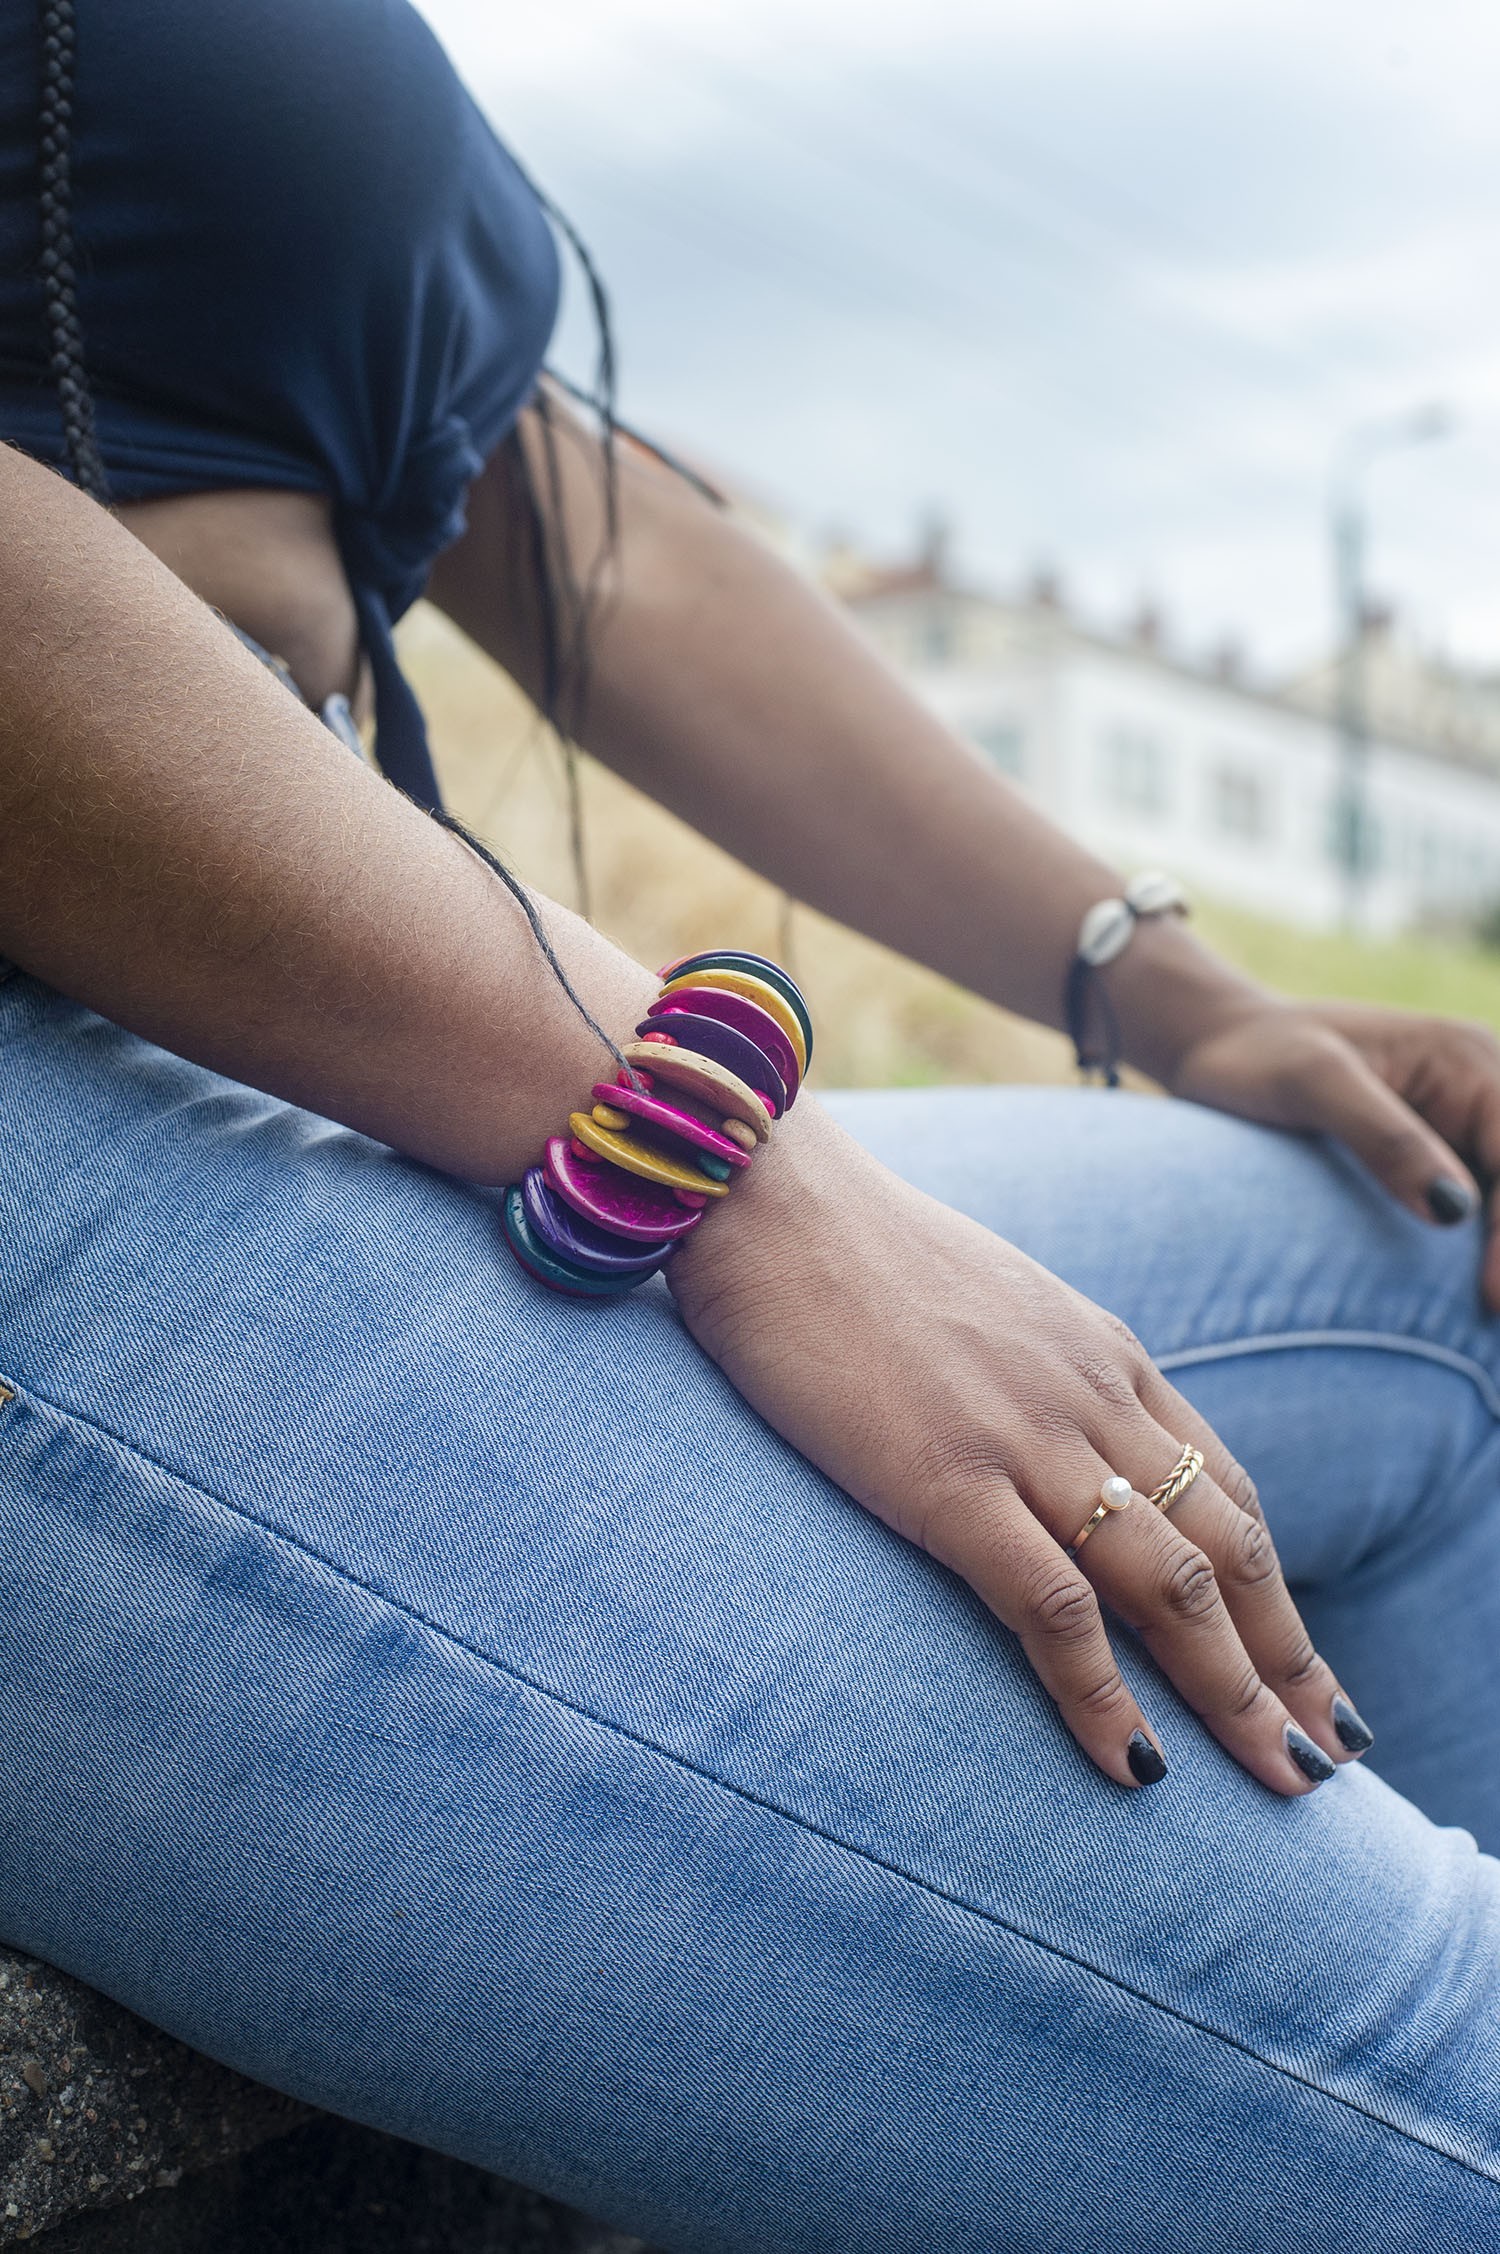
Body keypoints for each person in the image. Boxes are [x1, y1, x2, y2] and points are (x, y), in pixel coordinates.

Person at [2, 4, 1500, 2247]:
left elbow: (598, 545)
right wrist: (717, 1154)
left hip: (347, 1060)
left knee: (1409, 1255)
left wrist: (1182, 992)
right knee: (1438, 2082)